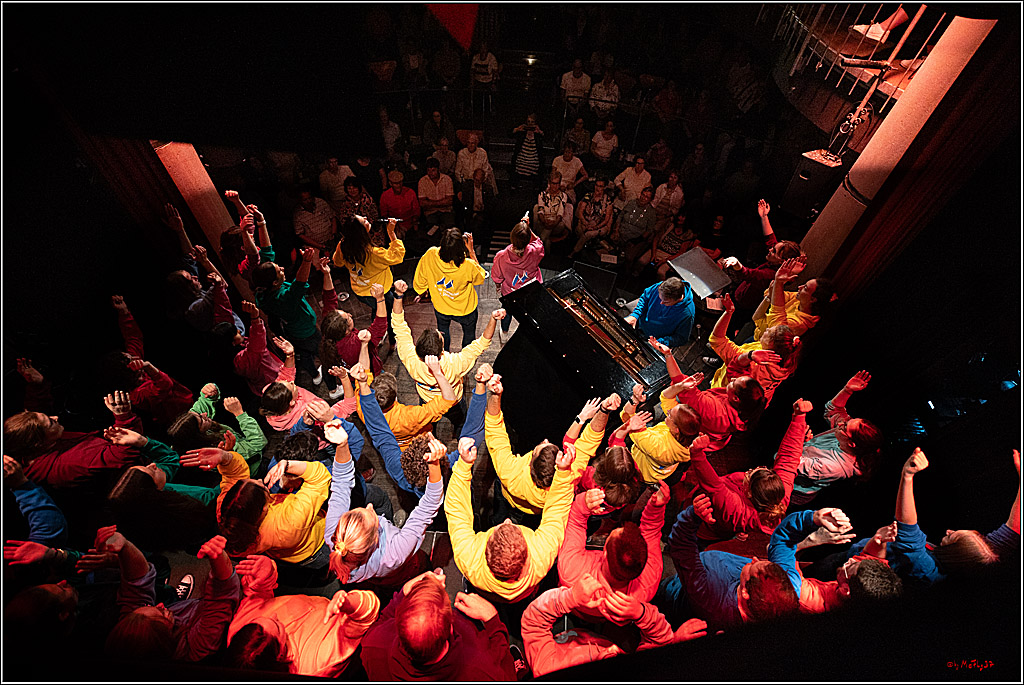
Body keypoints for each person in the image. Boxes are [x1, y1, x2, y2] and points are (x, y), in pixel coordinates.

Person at [445, 432, 578, 603]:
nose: (507, 521)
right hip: (525, 593)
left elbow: (457, 511)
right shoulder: (541, 556)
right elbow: (557, 512)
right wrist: (563, 472)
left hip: (484, 590)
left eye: (501, 527)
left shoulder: (468, 557)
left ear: (487, 550)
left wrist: (464, 465)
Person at [182, 441, 333, 582]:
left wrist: (226, 458)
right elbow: (319, 478)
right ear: (264, 508)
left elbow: (234, 476)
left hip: (285, 554)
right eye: (263, 487)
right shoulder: (290, 521)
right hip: (315, 548)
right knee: (326, 565)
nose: (261, 480)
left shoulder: (227, 511)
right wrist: (287, 465)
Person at [322, 414, 444, 585]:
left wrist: (342, 445)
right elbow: (429, 505)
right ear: (375, 541)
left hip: (375, 578)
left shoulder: (335, 535)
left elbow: (341, 483)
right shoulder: (395, 553)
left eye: (363, 509)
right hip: (402, 571)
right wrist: (434, 463)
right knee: (420, 564)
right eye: (373, 518)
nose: (370, 506)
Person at [523, 572, 707, 678]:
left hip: (564, 638)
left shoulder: (548, 669)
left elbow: (533, 623)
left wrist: (569, 598)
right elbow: (657, 644)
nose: (613, 650)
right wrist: (642, 613)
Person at [226, 554, 380, 676]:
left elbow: (257, 597)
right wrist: (349, 603)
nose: (273, 614)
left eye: (261, 619)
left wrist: (264, 577)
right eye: (277, 627)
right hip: (342, 612)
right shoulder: (317, 662)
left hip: (316, 600)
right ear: (280, 654)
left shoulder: (241, 635)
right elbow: (365, 617)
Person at [101, 528, 241, 662]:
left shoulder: (132, 632)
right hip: (222, 619)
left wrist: (124, 546)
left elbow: (137, 583)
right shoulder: (197, 647)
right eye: (160, 613)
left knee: (164, 589)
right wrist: (217, 556)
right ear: (163, 637)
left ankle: (179, 599)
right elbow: (221, 597)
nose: (160, 605)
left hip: (192, 610)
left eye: (150, 606)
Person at [660, 498, 799, 632]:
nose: (754, 559)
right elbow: (783, 543)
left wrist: (692, 516)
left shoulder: (712, 597)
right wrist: (813, 519)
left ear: (745, 593)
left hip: (673, 588)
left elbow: (681, 546)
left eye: (753, 567)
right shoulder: (780, 592)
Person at [887, 447, 1020, 586]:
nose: (948, 531)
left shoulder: (926, 571)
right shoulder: (978, 560)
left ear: (954, 555)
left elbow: (907, 530)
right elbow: (1012, 532)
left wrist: (907, 476)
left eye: (952, 537)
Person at [687, 399, 809, 545]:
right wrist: (799, 418)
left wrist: (697, 454)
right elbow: (789, 459)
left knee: (686, 537)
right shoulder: (778, 494)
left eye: (750, 474)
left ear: (749, 492)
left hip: (703, 529)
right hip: (721, 518)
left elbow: (713, 485)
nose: (749, 471)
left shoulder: (737, 509)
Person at [360, 568, 517, 680]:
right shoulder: (481, 670)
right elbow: (507, 674)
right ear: (450, 627)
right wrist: (493, 619)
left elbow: (383, 619)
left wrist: (403, 594)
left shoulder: (372, 646)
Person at [487, 385, 614, 521]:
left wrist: (496, 395)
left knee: (498, 520)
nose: (545, 439)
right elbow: (590, 441)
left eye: (539, 447)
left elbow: (494, 429)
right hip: (534, 512)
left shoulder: (510, 471)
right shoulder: (566, 482)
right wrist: (604, 410)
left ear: (531, 464)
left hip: (506, 497)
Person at [556, 480, 669, 622]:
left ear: (604, 553)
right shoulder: (649, 580)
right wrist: (656, 508)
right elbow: (651, 532)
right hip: (601, 618)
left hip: (577, 609)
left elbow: (575, 523)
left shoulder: (573, 572)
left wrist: (582, 504)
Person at [768, 508, 903, 613]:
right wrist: (879, 540)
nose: (850, 560)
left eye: (851, 566)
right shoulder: (863, 596)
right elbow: (870, 559)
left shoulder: (804, 597)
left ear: (845, 590)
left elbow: (781, 543)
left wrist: (813, 519)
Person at [391, 279, 498, 408]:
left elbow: (398, 325)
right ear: (442, 350)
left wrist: (398, 295)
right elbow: (483, 343)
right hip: (454, 401)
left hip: (427, 402)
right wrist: (493, 318)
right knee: (459, 422)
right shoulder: (455, 363)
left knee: (429, 424)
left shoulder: (411, 358)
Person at [789, 370, 883, 506]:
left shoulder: (834, 467)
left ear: (852, 444)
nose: (840, 423)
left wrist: (798, 436)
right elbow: (833, 410)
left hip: (792, 489)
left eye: (844, 427)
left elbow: (790, 463)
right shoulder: (845, 437)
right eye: (846, 422)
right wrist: (847, 390)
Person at [719, 199, 802, 339]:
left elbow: (750, 274)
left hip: (745, 305)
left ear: (781, 261)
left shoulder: (772, 274)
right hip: (741, 296)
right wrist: (764, 217)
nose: (770, 250)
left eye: (774, 252)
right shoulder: (775, 263)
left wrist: (736, 263)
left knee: (730, 327)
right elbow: (770, 239)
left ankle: (718, 353)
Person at [107, 294, 193, 428]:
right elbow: (165, 385)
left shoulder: (135, 365)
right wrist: (148, 366)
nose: (135, 357)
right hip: (181, 418)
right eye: (130, 358)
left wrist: (123, 312)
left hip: (187, 400)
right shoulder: (136, 396)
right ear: (127, 370)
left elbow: (133, 338)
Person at [708, 294, 801, 408]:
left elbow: (717, 339)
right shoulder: (785, 364)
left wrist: (728, 312)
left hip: (720, 398)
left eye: (769, 332)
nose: (766, 329)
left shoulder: (753, 362)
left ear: (771, 343)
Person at [252, 238, 322, 386]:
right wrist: (307, 261)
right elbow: (299, 284)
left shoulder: (262, 293)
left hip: (293, 331)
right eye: (279, 271)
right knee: (319, 350)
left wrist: (261, 223)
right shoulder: (283, 300)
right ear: (275, 283)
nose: (282, 268)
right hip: (306, 331)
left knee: (304, 353)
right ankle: (325, 377)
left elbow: (266, 253)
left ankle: (314, 374)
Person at [412, 227, 488, 352]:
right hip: (465, 309)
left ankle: (444, 355)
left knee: (443, 334)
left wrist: (422, 292)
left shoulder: (431, 254)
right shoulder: (468, 264)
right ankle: (465, 360)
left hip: (441, 307)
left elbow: (420, 281)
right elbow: (480, 278)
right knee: (469, 336)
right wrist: (472, 252)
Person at [615, 375, 700, 486]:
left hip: (641, 469)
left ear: (676, 428)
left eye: (670, 416)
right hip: (662, 466)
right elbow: (665, 397)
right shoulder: (687, 434)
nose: (668, 413)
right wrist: (681, 386)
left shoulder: (657, 446)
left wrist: (634, 400)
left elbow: (627, 420)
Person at [333, 216, 404, 344]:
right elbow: (397, 256)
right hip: (380, 292)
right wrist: (391, 233)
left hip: (361, 292)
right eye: (364, 220)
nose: (366, 218)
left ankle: (377, 335)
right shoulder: (374, 253)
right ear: (361, 231)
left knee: (377, 310)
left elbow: (337, 262)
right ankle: (392, 341)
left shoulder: (343, 246)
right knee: (390, 314)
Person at [166, 387, 268, 476]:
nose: (205, 414)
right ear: (199, 435)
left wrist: (209, 390)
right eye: (202, 420)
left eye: (199, 415)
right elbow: (259, 442)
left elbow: (204, 400)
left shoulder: (192, 425)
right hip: (256, 469)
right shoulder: (216, 448)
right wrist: (239, 414)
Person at [668, 372, 765, 452]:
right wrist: (748, 356)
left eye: (734, 383)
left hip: (686, 437)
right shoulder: (745, 407)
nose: (732, 379)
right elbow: (734, 369)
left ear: (736, 398)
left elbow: (687, 392)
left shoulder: (716, 412)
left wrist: (668, 355)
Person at [490, 214, 544, 339]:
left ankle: (504, 332)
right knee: (529, 313)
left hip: (510, 292)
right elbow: (538, 241)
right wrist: (527, 227)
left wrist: (498, 286)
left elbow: (497, 277)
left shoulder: (501, 256)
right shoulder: (535, 250)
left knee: (507, 311)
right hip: (531, 290)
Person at [625, 276, 695, 350]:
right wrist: (635, 315)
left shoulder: (687, 314)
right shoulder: (660, 287)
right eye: (660, 298)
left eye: (666, 302)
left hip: (655, 341)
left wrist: (659, 342)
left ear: (677, 299)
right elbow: (645, 298)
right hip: (638, 325)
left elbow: (681, 338)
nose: (661, 303)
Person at [634, 211, 701, 279]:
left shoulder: (688, 234)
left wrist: (665, 260)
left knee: (661, 272)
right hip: (659, 250)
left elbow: (681, 253)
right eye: (679, 216)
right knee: (641, 261)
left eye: (683, 217)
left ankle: (662, 287)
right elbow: (656, 239)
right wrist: (654, 254)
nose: (679, 218)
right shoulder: (670, 226)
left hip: (671, 257)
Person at [612, 186, 658, 269]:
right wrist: (616, 230)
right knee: (610, 248)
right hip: (621, 232)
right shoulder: (632, 203)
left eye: (647, 197)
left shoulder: (651, 212)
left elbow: (649, 230)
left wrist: (636, 241)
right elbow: (621, 216)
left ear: (650, 200)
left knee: (629, 258)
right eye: (643, 195)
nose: (643, 198)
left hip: (635, 239)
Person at [570, 176, 615, 258]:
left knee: (587, 234)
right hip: (587, 222)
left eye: (600, 186)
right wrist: (585, 223)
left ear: (604, 188)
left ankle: (574, 252)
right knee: (580, 231)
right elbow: (580, 212)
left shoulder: (608, 200)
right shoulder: (588, 196)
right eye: (596, 185)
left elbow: (606, 220)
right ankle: (586, 252)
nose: (597, 188)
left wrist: (595, 227)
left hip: (600, 226)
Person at [533, 171, 573, 253]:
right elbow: (540, 211)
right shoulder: (542, 195)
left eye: (557, 184)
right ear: (549, 183)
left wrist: (553, 224)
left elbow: (560, 213)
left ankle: (537, 249)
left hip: (556, 224)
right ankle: (547, 256)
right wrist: (544, 221)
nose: (555, 186)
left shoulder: (563, 196)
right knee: (546, 239)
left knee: (560, 225)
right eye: (553, 183)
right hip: (544, 221)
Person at [335, 177, 381, 242]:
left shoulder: (368, 200)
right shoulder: (345, 204)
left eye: (354, 187)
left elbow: (375, 216)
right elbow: (343, 221)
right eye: (349, 188)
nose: (352, 190)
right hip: (355, 234)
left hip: (371, 232)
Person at [293, 188, 338, 252]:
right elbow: (300, 234)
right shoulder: (297, 213)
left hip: (330, 240)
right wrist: (320, 246)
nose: (308, 201)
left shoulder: (320, 202)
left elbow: (333, 217)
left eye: (309, 198)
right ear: (300, 201)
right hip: (313, 246)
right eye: (305, 200)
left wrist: (334, 235)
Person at [417, 158, 456, 231]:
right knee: (432, 229)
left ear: (438, 169)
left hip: (446, 211)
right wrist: (442, 202)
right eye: (428, 170)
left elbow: (449, 201)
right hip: (430, 212)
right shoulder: (422, 181)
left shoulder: (447, 179)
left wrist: (430, 202)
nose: (430, 173)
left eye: (433, 170)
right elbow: (422, 203)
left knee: (450, 227)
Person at [458, 168, 495, 242]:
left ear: (483, 180)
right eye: (475, 179)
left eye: (479, 180)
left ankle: (477, 244)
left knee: (479, 223)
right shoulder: (467, 187)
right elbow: (465, 202)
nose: (476, 182)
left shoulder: (488, 189)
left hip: (482, 212)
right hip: (469, 211)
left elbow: (490, 205)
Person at [511, 114, 546, 190]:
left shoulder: (537, 134)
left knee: (535, 165)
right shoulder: (522, 132)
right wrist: (517, 129)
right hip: (522, 156)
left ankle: (536, 186)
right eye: (528, 122)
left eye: (532, 122)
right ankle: (513, 185)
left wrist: (539, 132)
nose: (530, 124)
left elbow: (546, 137)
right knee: (518, 164)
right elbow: (510, 134)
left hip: (533, 157)